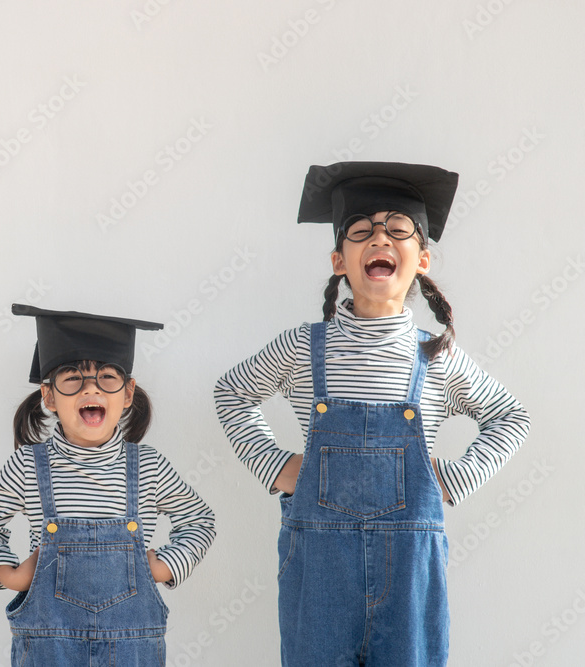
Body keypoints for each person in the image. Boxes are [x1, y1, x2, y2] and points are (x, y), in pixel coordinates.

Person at [214, 162, 531, 666]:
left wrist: (450, 481)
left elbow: (510, 417)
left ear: (422, 259)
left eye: (398, 228)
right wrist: (277, 467)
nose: (379, 237)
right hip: (318, 567)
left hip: (409, 571)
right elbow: (232, 393)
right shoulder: (304, 346)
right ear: (340, 259)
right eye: (361, 230)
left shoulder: (436, 355)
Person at [0, 304, 216, 666]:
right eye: (72, 379)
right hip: (50, 648)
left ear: (127, 393)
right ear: (49, 397)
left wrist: (163, 566)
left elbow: (199, 521)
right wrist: (10, 574)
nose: (91, 390)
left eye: (107, 378)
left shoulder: (149, 466)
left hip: (134, 649)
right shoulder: (27, 466)